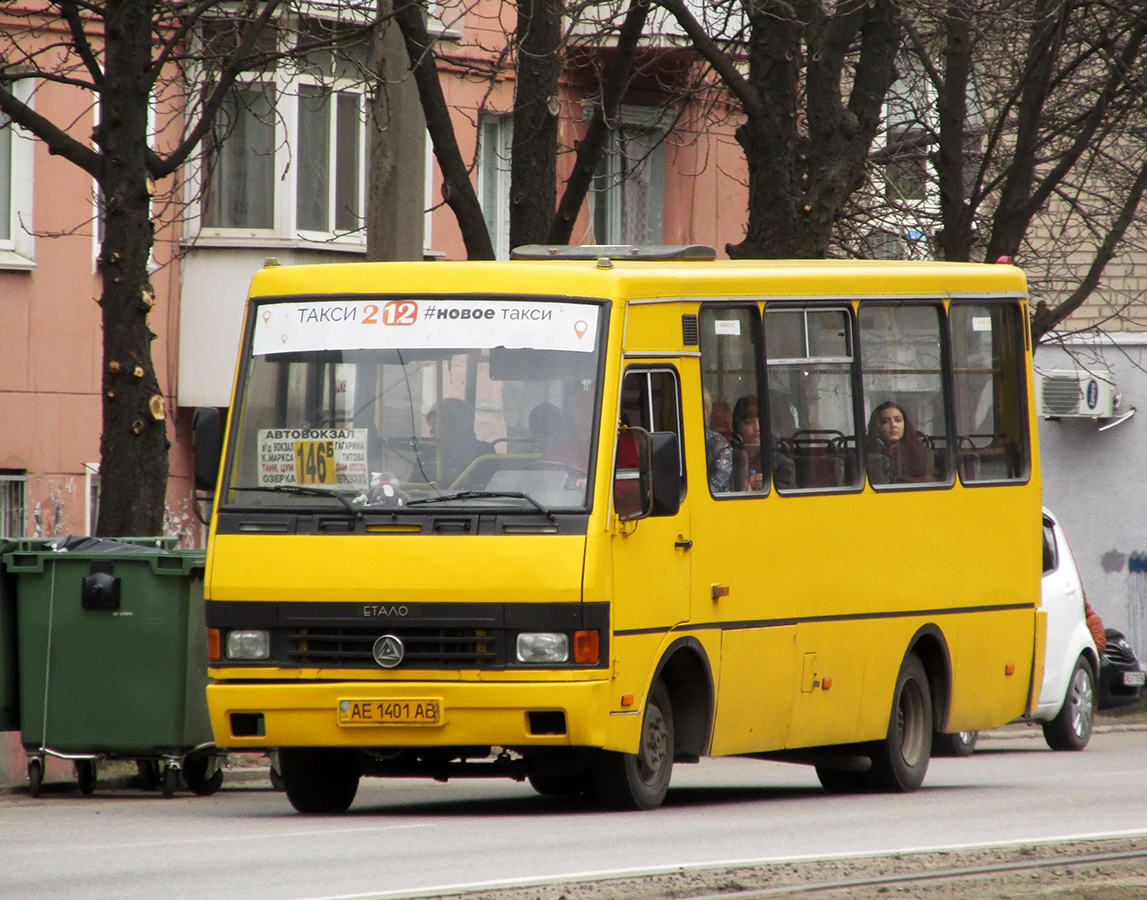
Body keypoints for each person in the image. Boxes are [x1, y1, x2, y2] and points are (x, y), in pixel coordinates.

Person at [411, 397, 494, 487]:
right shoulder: (426, 456)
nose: (431, 430)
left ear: (458, 424)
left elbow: (483, 489)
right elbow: (411, 490)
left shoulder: (483, 453)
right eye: (430, 424)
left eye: (437, 423)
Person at [730, 395, 795, 491]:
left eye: (761, 421)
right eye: (749, 422)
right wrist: (746, 487)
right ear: (737, 426)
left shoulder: (780, 464)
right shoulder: (725, 458)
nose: (757, 428)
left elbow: (784, 501)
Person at [865, 400, 935, 484]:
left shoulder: (923, 453)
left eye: (898, 420)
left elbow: (930, 482)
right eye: (885, 421)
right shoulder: (866, 454)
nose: (893, 425)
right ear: (876, 426)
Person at [703, 388, 733, 493]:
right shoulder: (678, 441)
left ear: (708, 413)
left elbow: (720, 478)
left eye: (702, 408)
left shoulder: (718, 443)